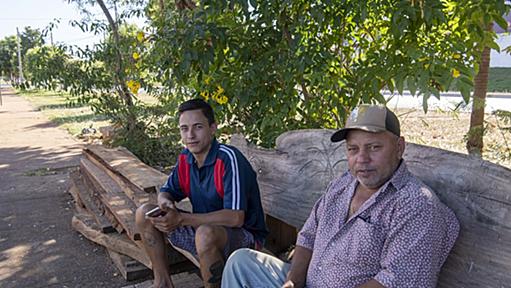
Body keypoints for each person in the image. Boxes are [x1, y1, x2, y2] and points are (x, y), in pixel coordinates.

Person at [221, 104, 460, 288]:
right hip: (309, 282)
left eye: (374, 147)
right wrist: (293, 281)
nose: (362, 158)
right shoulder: (343, 184)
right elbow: (308, 237)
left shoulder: (416, 204)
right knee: (241, 263)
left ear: (399, 147)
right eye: (353, 149)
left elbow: (396, 282)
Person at [135, 99, 268, 288]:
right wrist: (167, 205)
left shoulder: (228, 159)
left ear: (213, 128)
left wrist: (180, 219)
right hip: (203, 231)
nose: (190, 135)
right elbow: (166, 191)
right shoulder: (186, 158)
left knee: (205, 234)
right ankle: (162, 283)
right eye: (184, 129)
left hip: (245, 240)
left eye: (198, 127)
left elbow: (235, 218)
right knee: (144, 213)